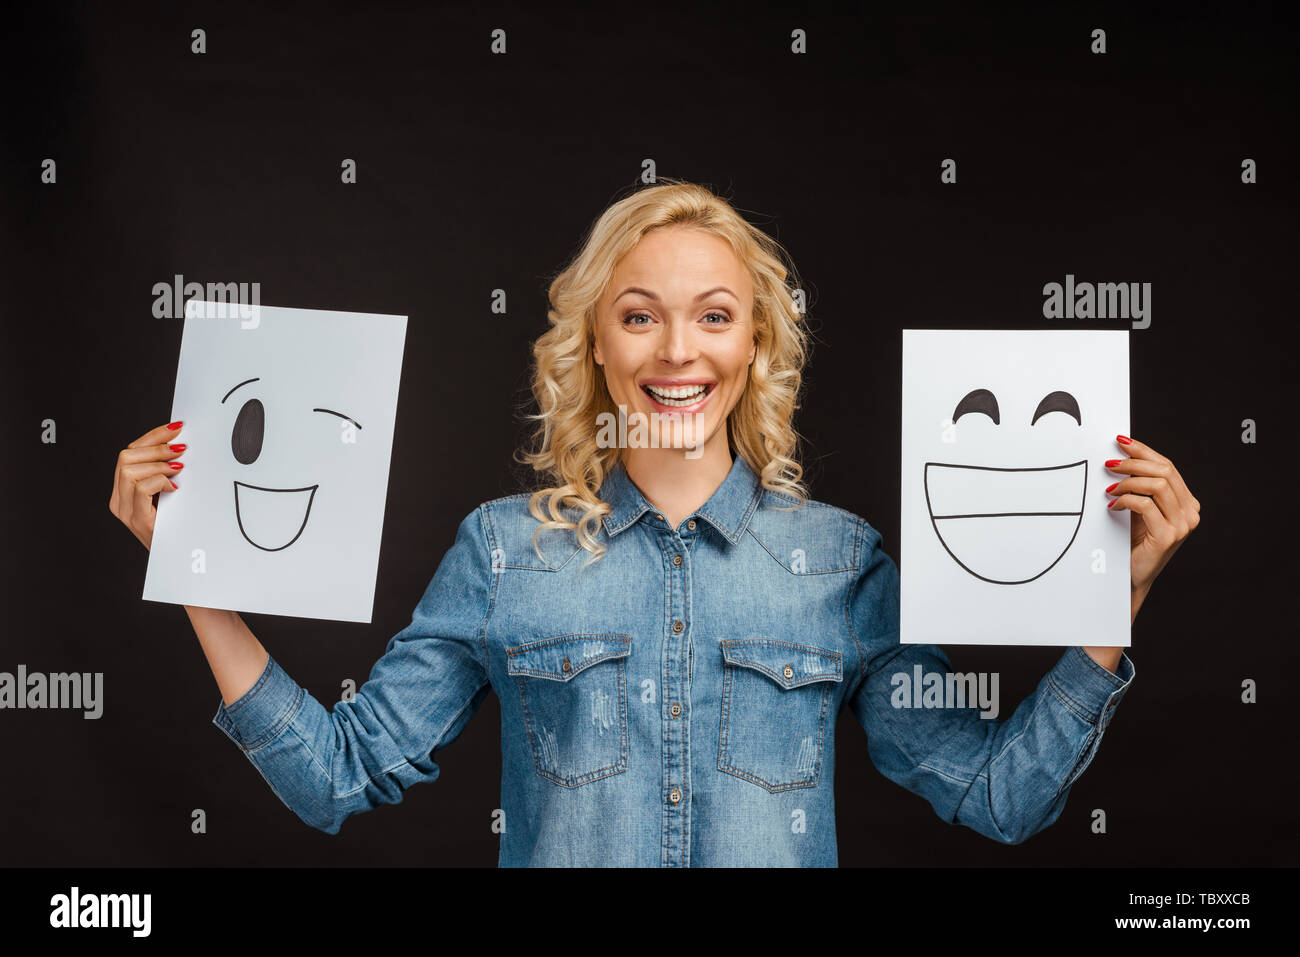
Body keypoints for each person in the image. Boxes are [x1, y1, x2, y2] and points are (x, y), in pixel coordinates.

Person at [109, 179, 1199, 866]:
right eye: (639, 316)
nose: (677, 350)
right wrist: (194, 570)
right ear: (595, 346)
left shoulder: (845, 563)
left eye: (713, 317)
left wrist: (1117, 594)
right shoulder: (503, 550)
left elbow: (995, 798)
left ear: (754, 349)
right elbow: (339, 778)